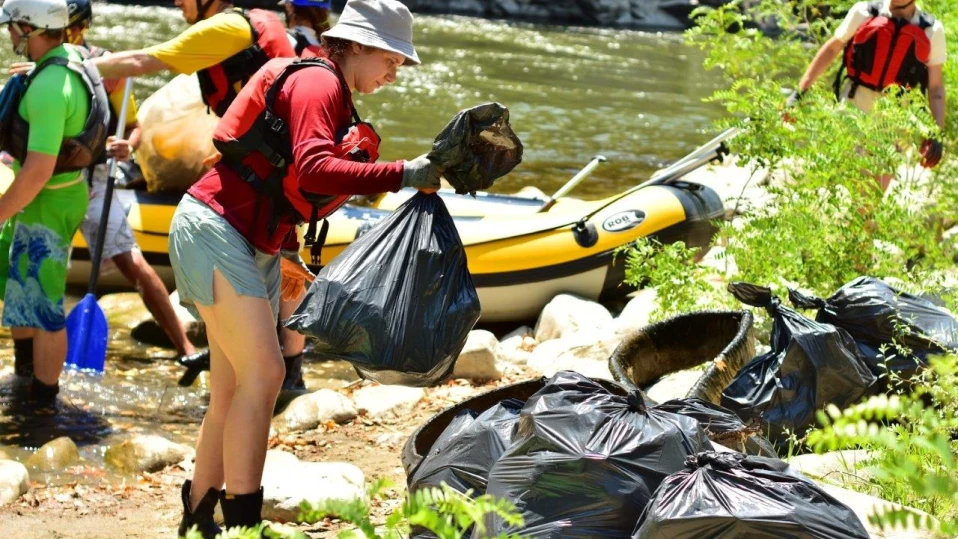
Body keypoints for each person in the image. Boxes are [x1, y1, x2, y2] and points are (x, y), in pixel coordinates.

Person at [168, 0, 442, 534]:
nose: (395, 72)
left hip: (252, 240)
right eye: (392, 58)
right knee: (267, 374)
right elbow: (317, 166)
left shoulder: (327, 84)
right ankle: (244, 524)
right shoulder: (320, 84)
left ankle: (199, 516)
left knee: (232, 388)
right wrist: (406, 173)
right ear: (357, 45)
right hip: (217, 229)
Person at [59, 0, 298, 376]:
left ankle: (255, 368)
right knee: (275, 260)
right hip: (271, 170)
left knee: (258, 264)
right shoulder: (255, 25)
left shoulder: (226, 28)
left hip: (262, 176)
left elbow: (144, 61)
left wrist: (67, 65)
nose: (177, 2)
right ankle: (275, 365)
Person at [61, 0, 201, 363]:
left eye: (70, 30)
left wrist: (128, 145)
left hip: (93, 181)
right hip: (51, 181)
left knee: (130, 261)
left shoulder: (110, 70)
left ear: (81, 28)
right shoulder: (43, 64)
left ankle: (185, 348)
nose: (65, 37)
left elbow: (134, 127)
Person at [0, 0, 110, 404]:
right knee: (24, 289)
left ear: (30, 27)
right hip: (59, 194)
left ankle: (42, 405)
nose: (10, 35)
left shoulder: (49, 87)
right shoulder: (69, 59)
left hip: (49, 199)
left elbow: (37, 171)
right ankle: (25, 377)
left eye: (13, 27)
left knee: (46, 306)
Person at [787, 0, 947, 188]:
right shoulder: (864, 12)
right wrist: (799, 92)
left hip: (894, 121)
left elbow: (935, 87)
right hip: (853, 110)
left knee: (872, 195)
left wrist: (937, 133)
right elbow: (832, 48)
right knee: (841, 183)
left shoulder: (932, 30)